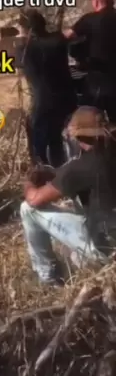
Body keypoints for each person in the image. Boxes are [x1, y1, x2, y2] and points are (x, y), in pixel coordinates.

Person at [20, 106, 116, 286]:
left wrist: (29, 183)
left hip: (107, 251)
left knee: (27, 209)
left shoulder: (80, 167)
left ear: (77, 137)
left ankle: (48, 276)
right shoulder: (106, 156)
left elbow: (34, 199)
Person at [15, 10, 76, 167]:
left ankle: (42, 173)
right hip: (66, 99)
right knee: (57, 142)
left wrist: (22, 39)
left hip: (42, 103)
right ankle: (61, 171)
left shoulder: (24, 49)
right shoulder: (58, 40)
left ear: (28, 29)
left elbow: (19, 65)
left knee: (39, 147)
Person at [64, 0, 116, 121]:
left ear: (96, 1)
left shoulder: (89, 19)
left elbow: (66, 37)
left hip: (98, 80)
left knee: (91, 120)